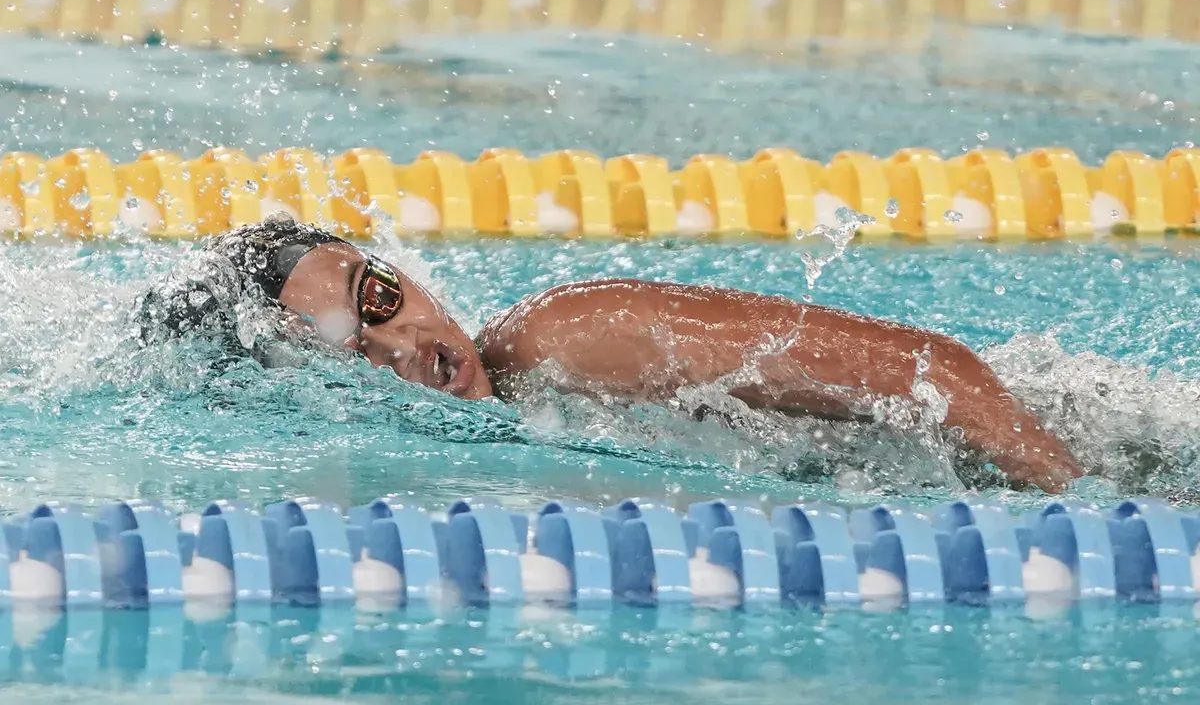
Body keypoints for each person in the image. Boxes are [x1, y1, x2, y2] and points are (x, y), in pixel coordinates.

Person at [135, 218, 1084, 493]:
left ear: (399, 270)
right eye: (351, 349)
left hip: (1075, 458)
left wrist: (1081, 507)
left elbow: (939, 375)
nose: (409, 346)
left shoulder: (568, 338)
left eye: (377, 298)